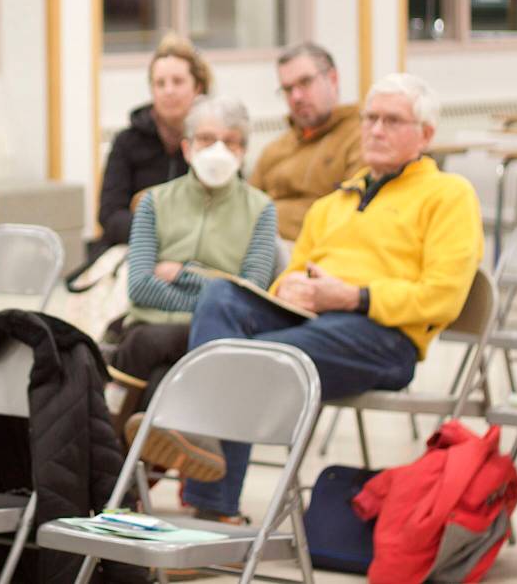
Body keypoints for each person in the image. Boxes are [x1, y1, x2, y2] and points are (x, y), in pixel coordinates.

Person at [179, 73, 483, 522]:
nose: (376, 130)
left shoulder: (448, 195)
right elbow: (294, 273)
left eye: (392, 120)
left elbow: (443, 297)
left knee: (249, 356)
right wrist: (288, 288)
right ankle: (205, 450)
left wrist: (355, 297)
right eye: (370, 118)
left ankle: (198, 443)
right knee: (222, 296)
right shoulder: (333, 202)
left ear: (426, 134)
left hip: (384, 337)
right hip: (314, 322)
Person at [113, 96, 277, 483]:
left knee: (146, 345)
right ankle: (151, 470)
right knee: (154, 360)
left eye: (230, 141)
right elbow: (140, 287)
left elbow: (248, 295)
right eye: (206, 139)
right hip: (151, 325)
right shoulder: (154, 202)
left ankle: (121, 477)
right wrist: (217, 286)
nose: (218, 149)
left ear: (243, 151)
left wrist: (185, 273)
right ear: (187, 148)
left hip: (213, 335)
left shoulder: (261, 209)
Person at [90, 33, 212, 260]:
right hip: (133, 249)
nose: (168, 91)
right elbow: (109, 215)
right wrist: (160, 232)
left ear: (198, 87)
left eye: (178, 81)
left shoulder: (215, 142)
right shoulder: (126, 142)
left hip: (198, 253)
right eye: (160, 83)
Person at [249, 42, 363, 241]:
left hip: (320, 249)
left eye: (305, 82)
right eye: (288, 89)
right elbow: (244, 211)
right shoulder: (274, 149)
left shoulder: (359, 138)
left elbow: (350, 216)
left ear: (333, 79)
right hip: (264, 248)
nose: (296, 97)